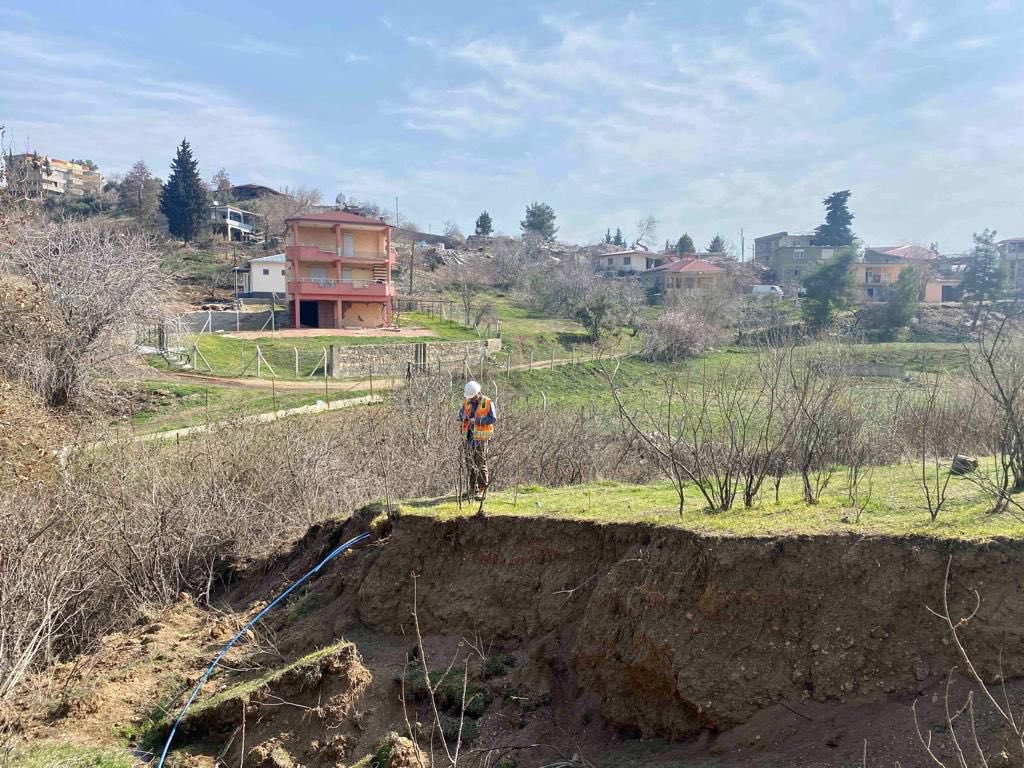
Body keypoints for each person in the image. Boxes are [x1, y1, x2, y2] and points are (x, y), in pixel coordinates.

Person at [459, 380, 496, 502]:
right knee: (470, 465)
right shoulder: (467, 402)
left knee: (481, 464)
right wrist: (463, 418)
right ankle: (472, 490)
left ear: (478, 393)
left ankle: (482, 490)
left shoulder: (488, 402)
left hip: (481, 438)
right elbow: (461, 413)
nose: (471, 399)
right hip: (469, 437)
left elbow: (492, 418)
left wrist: (477, 421)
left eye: (473, 396)